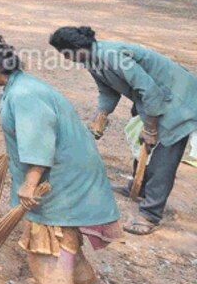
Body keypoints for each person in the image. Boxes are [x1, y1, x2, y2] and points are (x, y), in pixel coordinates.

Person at [0, 36, 121, 284]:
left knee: (48, 226)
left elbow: (40, 142)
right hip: (68, 164)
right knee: (60, 227)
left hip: (63, 171)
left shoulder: (23, 94)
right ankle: (79, 278)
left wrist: (30, 184)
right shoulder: (21, 85)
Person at [49, 26, 197, 236]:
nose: (65, 58)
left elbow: (150, 91)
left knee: (164, 158)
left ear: (75, 48)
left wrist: (151, 128)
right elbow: (107, 92)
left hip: (178, 101)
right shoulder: (91, 59)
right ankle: (139, 187)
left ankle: (151, 214)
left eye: (64, 53)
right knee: (142, 145)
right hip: (154, 101)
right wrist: (101, 114)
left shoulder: (111, 56)